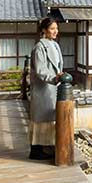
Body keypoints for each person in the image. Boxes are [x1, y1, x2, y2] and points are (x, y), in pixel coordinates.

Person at [28, 16, 63, 160]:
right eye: (52, 28)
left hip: (52, 88)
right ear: (44, 30)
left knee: (49, 118)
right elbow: (40, 69)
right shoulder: (39, 47)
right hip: (43, 88)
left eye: (56, 28)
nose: (55, 31)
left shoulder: (55, 45)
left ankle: (47, 147)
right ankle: (36, 151)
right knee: (41, 119)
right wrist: (54, 78)